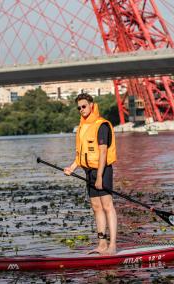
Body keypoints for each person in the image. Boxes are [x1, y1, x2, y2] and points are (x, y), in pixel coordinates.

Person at [64, 93, 118, 255]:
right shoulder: (82, 126)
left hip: (103, 170)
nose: (81, 110)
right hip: (89, 171)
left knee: (107, 206)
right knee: (96, 207)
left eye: (84, 106)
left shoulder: (102, 126)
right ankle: (102, 244)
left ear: (92, 105)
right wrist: (72, 167)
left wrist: (100, 176)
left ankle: (113, 245)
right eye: (79, 107)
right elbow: (81, 154)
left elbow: (102, 154)